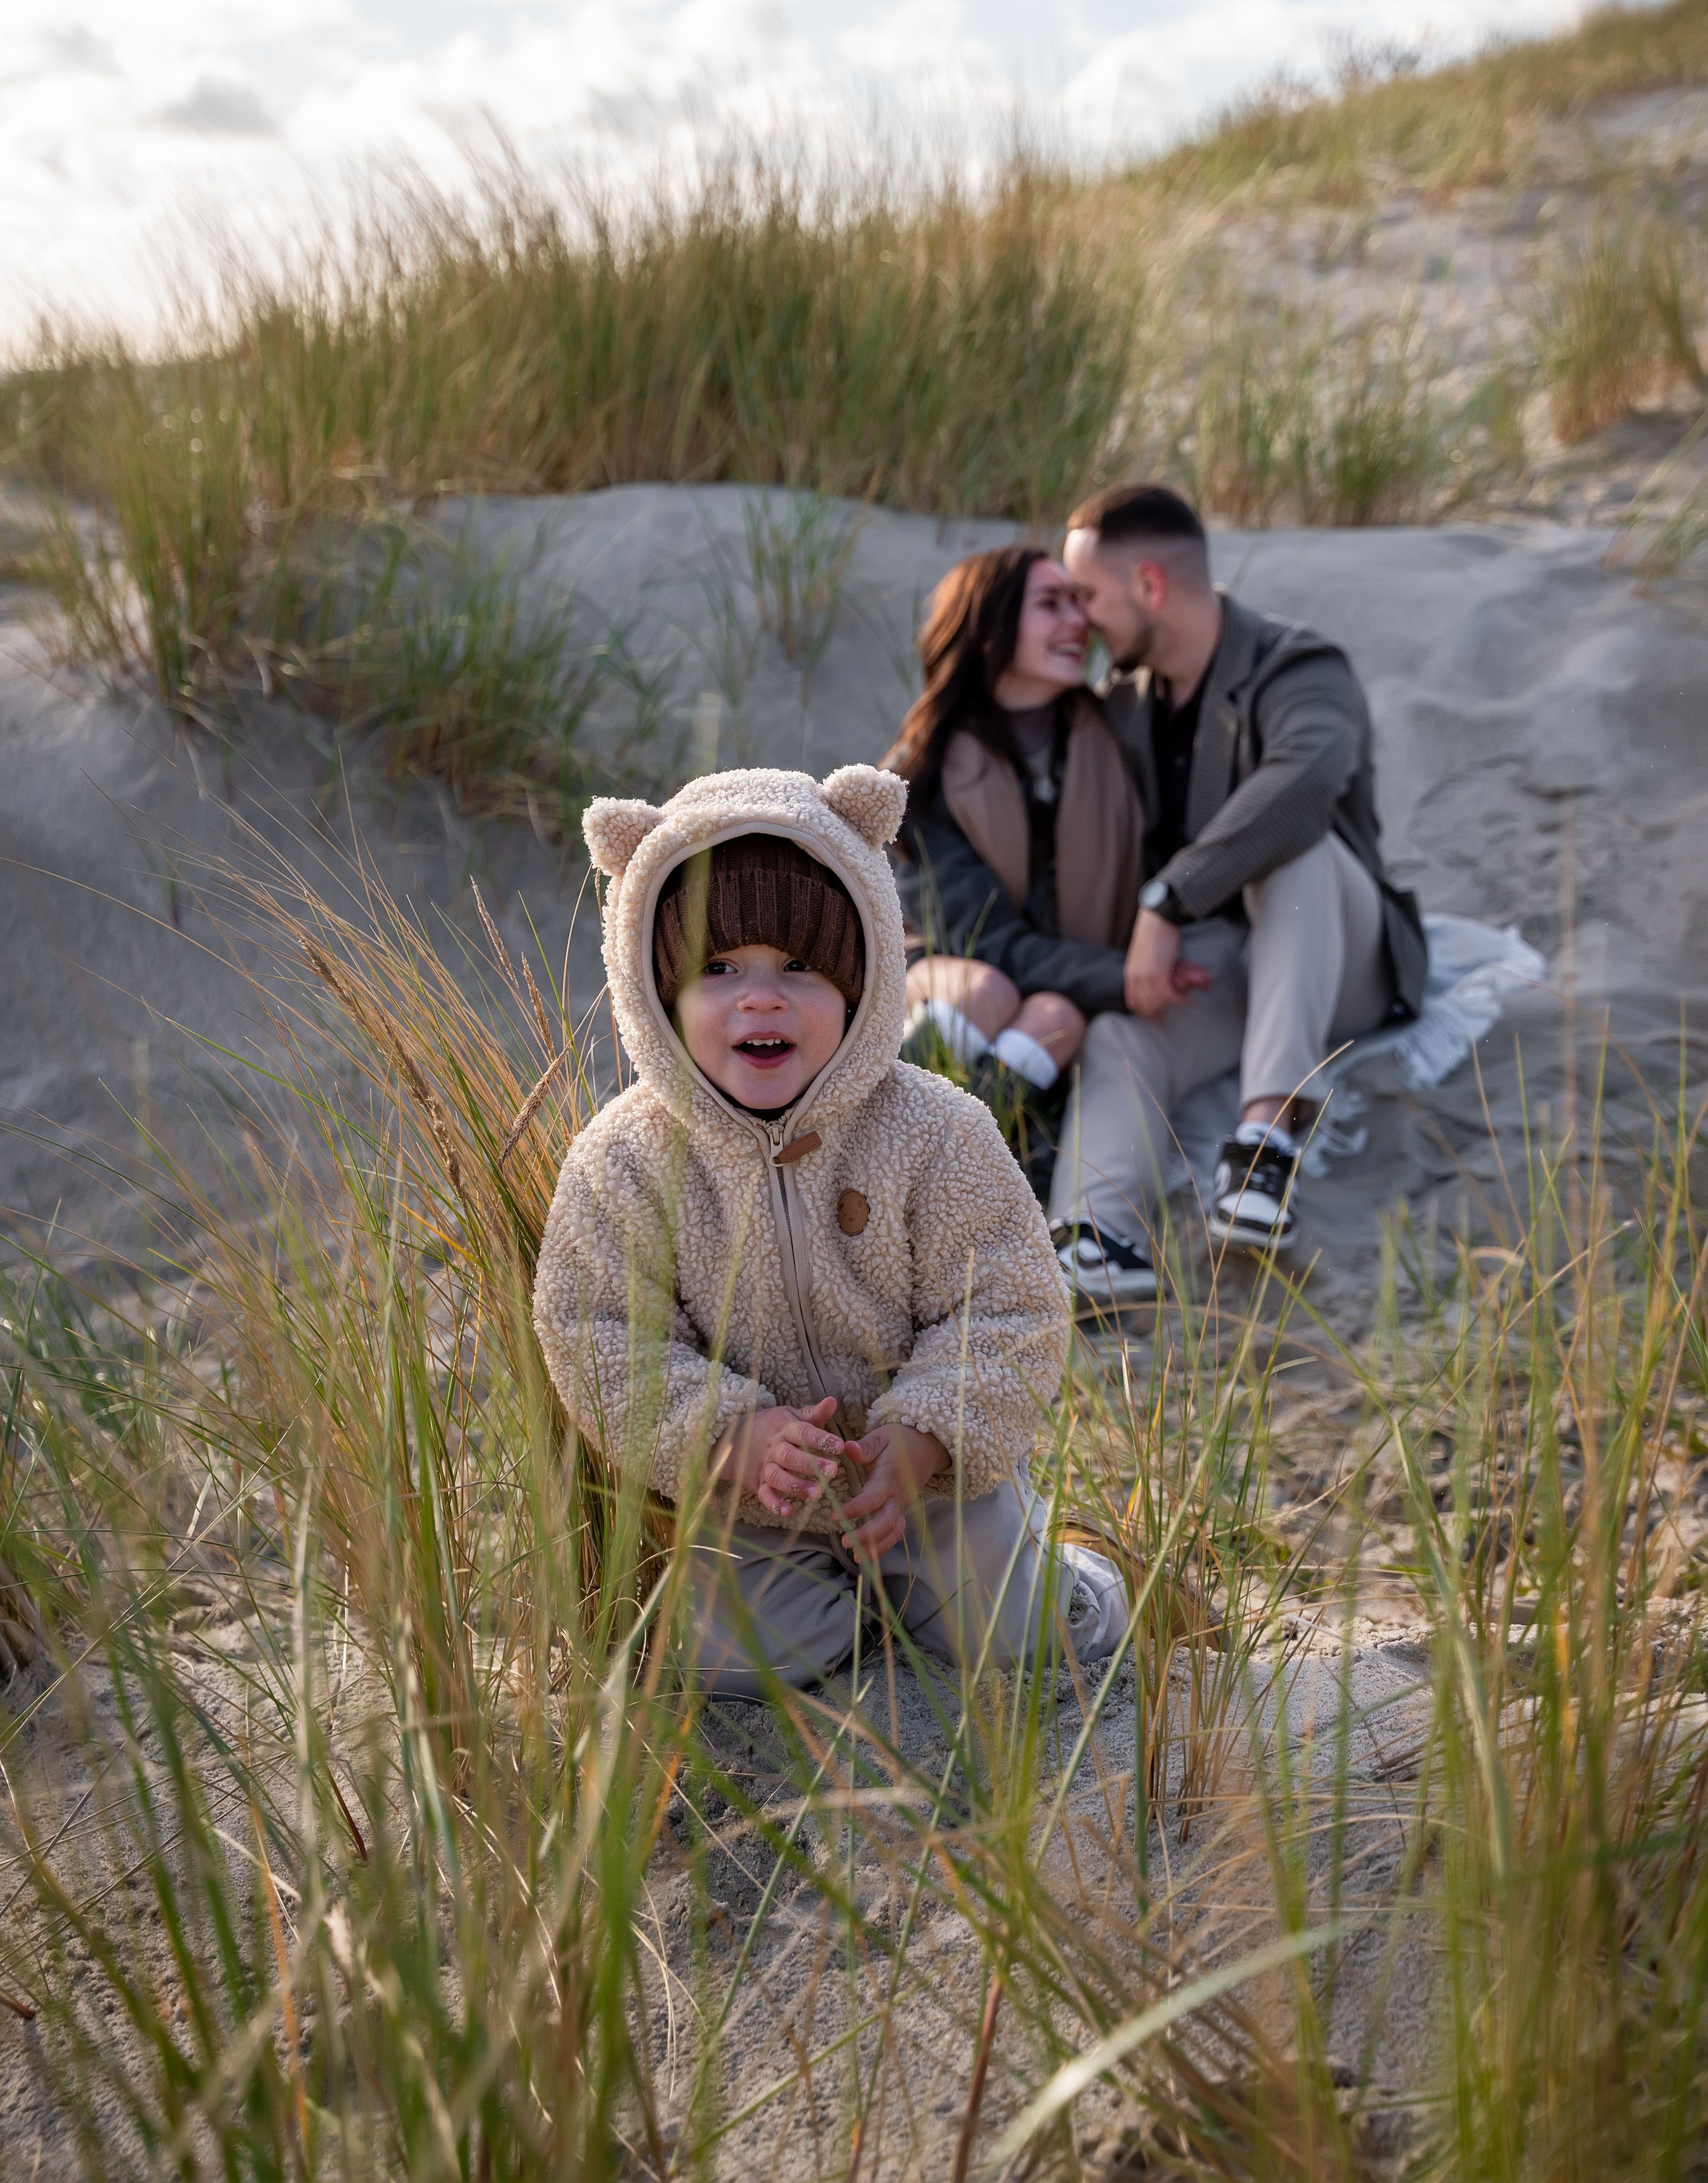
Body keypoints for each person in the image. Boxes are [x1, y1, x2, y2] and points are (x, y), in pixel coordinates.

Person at [532, 761, 1129, 1695]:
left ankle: (1074, 1575)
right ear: (654, 989)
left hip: (932, 1488)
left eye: (799, 968)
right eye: (717, 969)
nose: (759, 998)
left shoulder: (936, 1131)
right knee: (727, 1664)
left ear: (863, 979)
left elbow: (1014, 1303)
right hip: (755, 1504)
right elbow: (596, 1333)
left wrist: (930, 1433)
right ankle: (852, 1609)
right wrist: (729, 1433)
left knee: (1017, 1632)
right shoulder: (626, 1159)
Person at [1049, 483, 1426, 1301]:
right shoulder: (1124, 703)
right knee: (1123, 1033)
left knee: (1299, 846)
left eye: (1087, 595)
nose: (1079, 619)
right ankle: (1096, 1237)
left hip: (1340, 955)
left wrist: (1166, 900)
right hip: (1226, 960)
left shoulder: (1298, 666)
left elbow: (1306, 781)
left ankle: (1262, 1148)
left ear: (1149, 585)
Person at [884, 546, 1146, 1123]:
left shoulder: (1117, 740)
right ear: (988, 632)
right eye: (1051, 605)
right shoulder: (921, 772)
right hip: (941, 970)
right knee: (986, 992)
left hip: (1065, 989)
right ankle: (861, 1131)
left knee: (1056, 1019)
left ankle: (955, 1155)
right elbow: (978, 940)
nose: (1078, 622)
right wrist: (1124, 977)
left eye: (1079, 603)